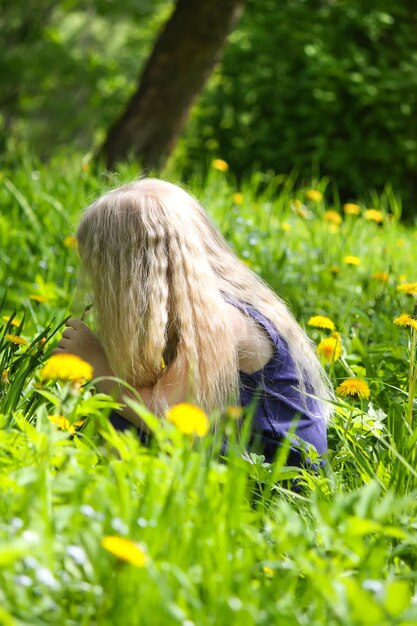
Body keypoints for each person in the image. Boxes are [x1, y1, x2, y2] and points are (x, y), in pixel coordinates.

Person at [54, 178, 332, 464]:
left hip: (277, 475)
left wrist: (96, 363)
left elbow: (167, 419)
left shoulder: (222, 319)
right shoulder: (201, 310)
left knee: (123, 422)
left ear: (131, 279)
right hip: (246, 451)